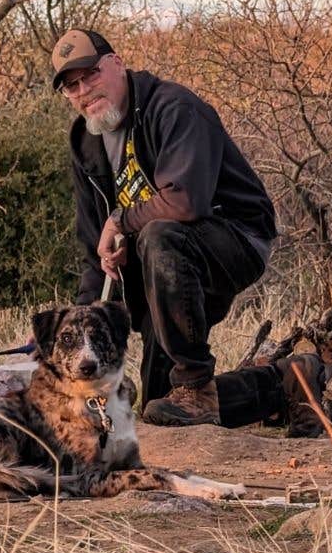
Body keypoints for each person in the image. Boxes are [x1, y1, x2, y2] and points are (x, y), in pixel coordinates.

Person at [53, 26, 276, 426]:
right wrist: (79, 325)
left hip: (235, 237)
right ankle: (284, 385)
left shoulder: (173, 108)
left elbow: (185, 202)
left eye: (91, 75)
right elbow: (95, 248)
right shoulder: (85, 142)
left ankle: (194, 383)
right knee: (160, 409)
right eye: (72, 86)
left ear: (117, 64)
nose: (84, 90)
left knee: (159, 235)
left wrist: (122, 220)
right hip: (160, 261)